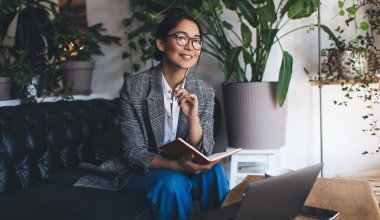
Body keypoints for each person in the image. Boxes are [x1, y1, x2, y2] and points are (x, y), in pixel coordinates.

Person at [119, 9, 229, 220]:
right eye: (181, 38)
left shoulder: (204, 91)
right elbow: (133, 152)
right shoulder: (135, 88)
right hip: (146, 170)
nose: (190, 46)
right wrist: (174, 166)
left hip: (185, 165)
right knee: (173, 182)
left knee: (214, 173)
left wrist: (193, 118)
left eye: (196, 40)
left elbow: (205, 150)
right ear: (161, 44)